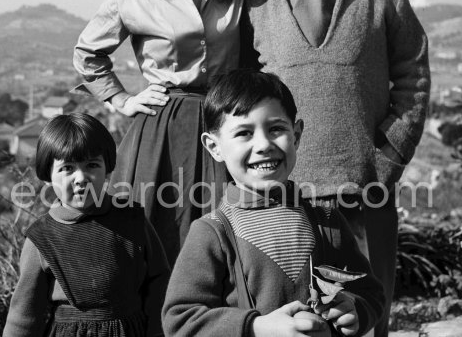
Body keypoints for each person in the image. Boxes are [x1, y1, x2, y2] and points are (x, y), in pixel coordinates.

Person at [241, 0, 431, 336]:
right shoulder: (257, 0)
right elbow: (239, 96)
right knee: (294, 320)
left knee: (364, 315)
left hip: (367, 189)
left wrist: (387, 156)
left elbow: (414, 74)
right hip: (281, 195)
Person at [73, 0, 248, 263]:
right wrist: (122, 100)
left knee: (229, 237)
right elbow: (88, 54)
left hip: (228, 124)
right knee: (159, 240)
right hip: (164, 132)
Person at [162, 69, 384, 337]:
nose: (264, 144)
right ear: (214, 147)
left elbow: (369, 291)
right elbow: (180, 319)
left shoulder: (326, 220)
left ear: (297, 135)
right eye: (244, 133)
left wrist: (354, 310)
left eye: (276, 129)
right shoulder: (212, 233)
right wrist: (256, 327)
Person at [2, 113, 169, 337]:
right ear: (47, 176)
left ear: (107, 169)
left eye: (92, 164)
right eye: (67, 168)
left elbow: (159, 281)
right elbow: (23, 316)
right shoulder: (42, 238)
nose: (81, 178)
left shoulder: (133, 220)